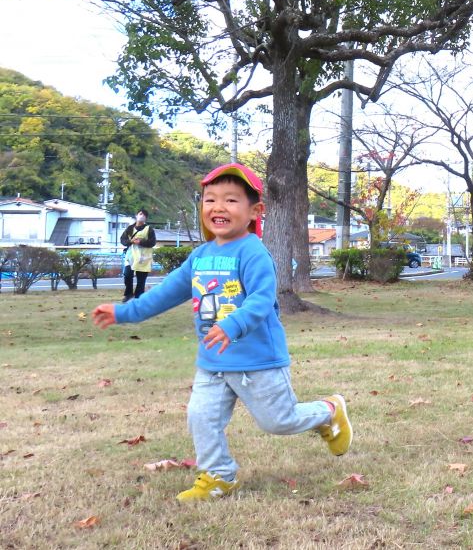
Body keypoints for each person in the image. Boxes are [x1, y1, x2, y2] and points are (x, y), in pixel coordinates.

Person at [91, 163, 352, 501]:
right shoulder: (200, 257)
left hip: (257, 361)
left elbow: (261, 300)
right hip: (213, 362)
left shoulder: (253, 252)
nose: (218, 207)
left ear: (254, 211)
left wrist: (232, 324)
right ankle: (218, 476)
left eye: (230, 200)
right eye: (210, 200)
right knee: (201, 417)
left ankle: (328, 411)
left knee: (278, 422)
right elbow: (166, 293)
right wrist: (125, 311)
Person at [120, 208, 156, 302]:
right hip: (131, 256)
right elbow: (123, 240)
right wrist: (130, 241)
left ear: (146, 218)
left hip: (143, 257)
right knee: (127, 274)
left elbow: (152, 242)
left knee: (141, 278)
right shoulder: (130, 228)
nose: (141, 216)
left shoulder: (149, 229)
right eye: (140, 214)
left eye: (144, 215)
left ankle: (138, 297)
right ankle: (128, 294)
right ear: (136, 215)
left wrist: (141, 242)